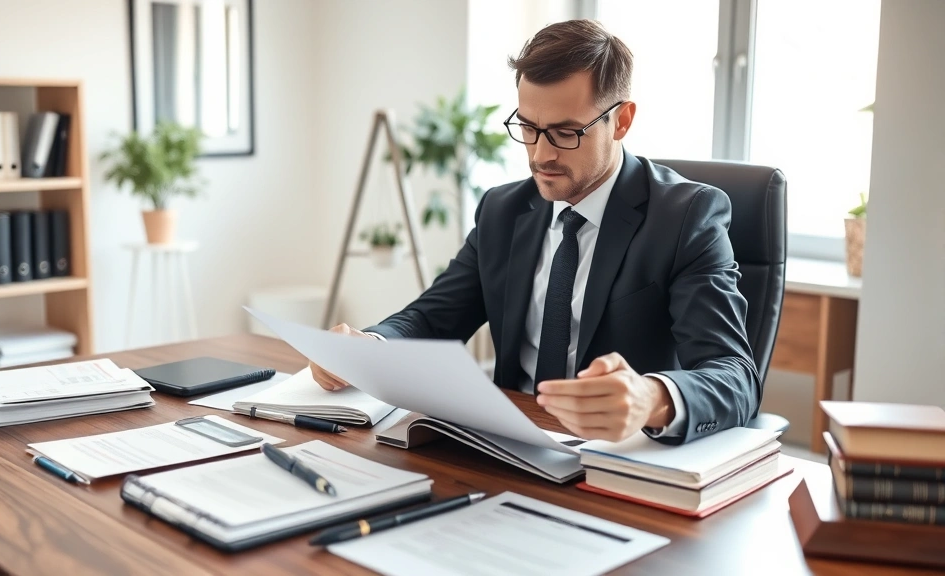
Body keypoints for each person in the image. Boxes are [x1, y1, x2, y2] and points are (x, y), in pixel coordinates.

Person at [310, 19, 761, 445]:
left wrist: (651, 398)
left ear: (621, 120)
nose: (541, 154)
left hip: (617, 464)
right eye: (528, 127)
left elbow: (736, 376)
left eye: (566, 132)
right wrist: (366, 348)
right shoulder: (503, 209)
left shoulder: (685, 217)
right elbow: (432, 318)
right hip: (509, 446)